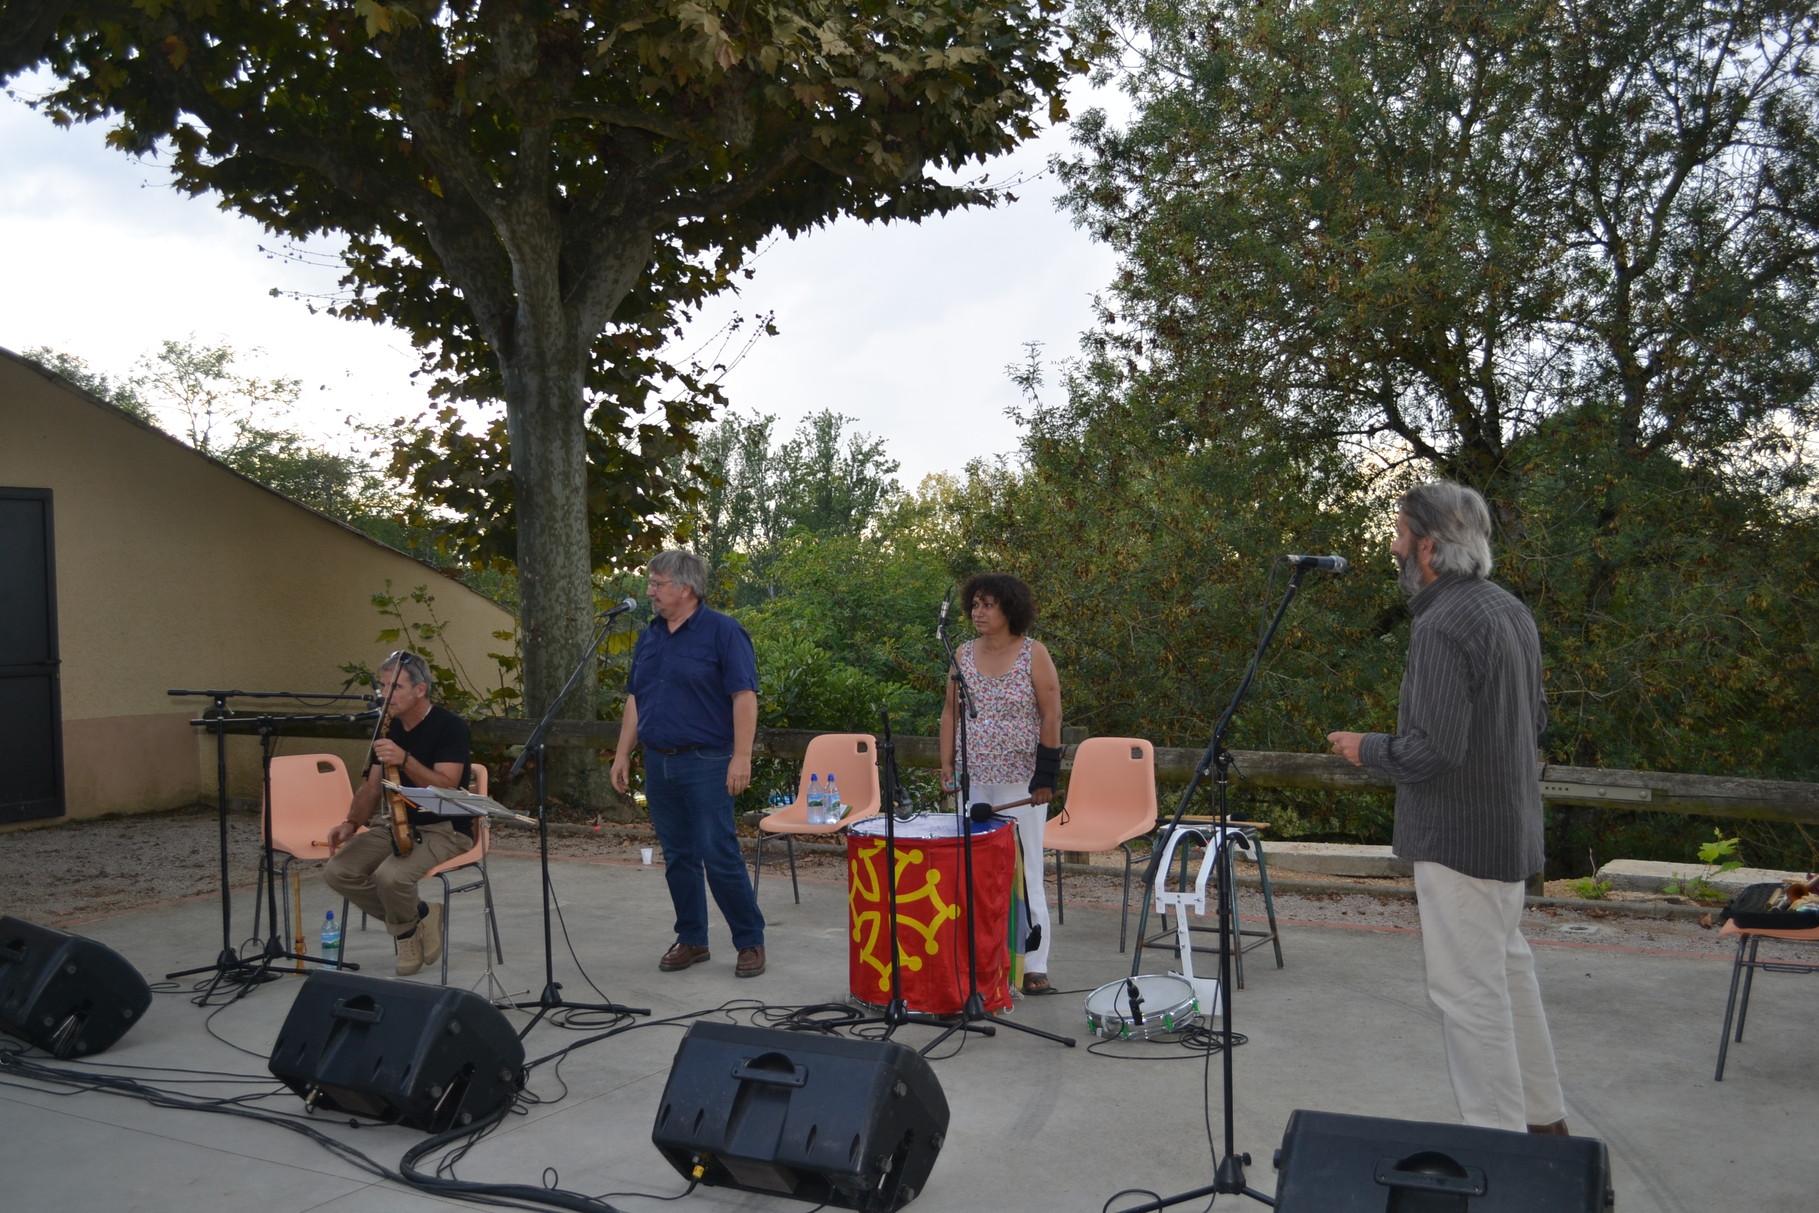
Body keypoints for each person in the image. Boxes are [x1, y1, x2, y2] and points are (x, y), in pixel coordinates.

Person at [1327, 481, 1569, 1135]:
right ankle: (1546, 1127)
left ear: (1428, 548)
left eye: (1400, 534)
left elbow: (1430, 749)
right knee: (1507, 978)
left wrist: (1365, 747)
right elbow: (1535, 716)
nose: (1393, 546)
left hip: (1458, 839)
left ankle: (1500, 1148)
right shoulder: (1507, 611)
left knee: (1468, 995)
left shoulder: (1441, 623)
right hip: (1507, 832)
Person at [611, 550, 767, 978]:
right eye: (650, 583)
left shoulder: (724, 631)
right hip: (659, 762)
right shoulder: (651, 635)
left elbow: (744, 697)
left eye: (657, 583)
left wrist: (741, 756)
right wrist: (623, 753)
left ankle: (750, 940)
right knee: (678, 855)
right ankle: (692, 938)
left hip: (708, 760)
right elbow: (635, 700)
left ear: (685, 587)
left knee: (718, 852)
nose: (650, 592)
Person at [939, 572, 1064, 995]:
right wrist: (947, 767)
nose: (978, 612)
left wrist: (1044, 777)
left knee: (1026, 872)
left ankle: (1034, 964)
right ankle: (981, 956)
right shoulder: (961, 655)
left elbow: (1052, 715)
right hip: (973, 780)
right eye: (974, 604)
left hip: (1021, 784)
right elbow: (949, 715)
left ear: (1009, 609)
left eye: (987, 604)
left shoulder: (1034, 653)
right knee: (973, 871)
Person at [324, 650, 473, 977]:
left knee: (390, 876)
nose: (385, 695)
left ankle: (405, 936)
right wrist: (351, 822)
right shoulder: (387, 726)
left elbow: (448, 785)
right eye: (382, 686)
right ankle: (420, 915)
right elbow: (372, 787)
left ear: (420, 690)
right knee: (338, 871)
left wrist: (404, 758)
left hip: (445, 827)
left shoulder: (450, 726)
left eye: (395, 687)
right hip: (393, 822)